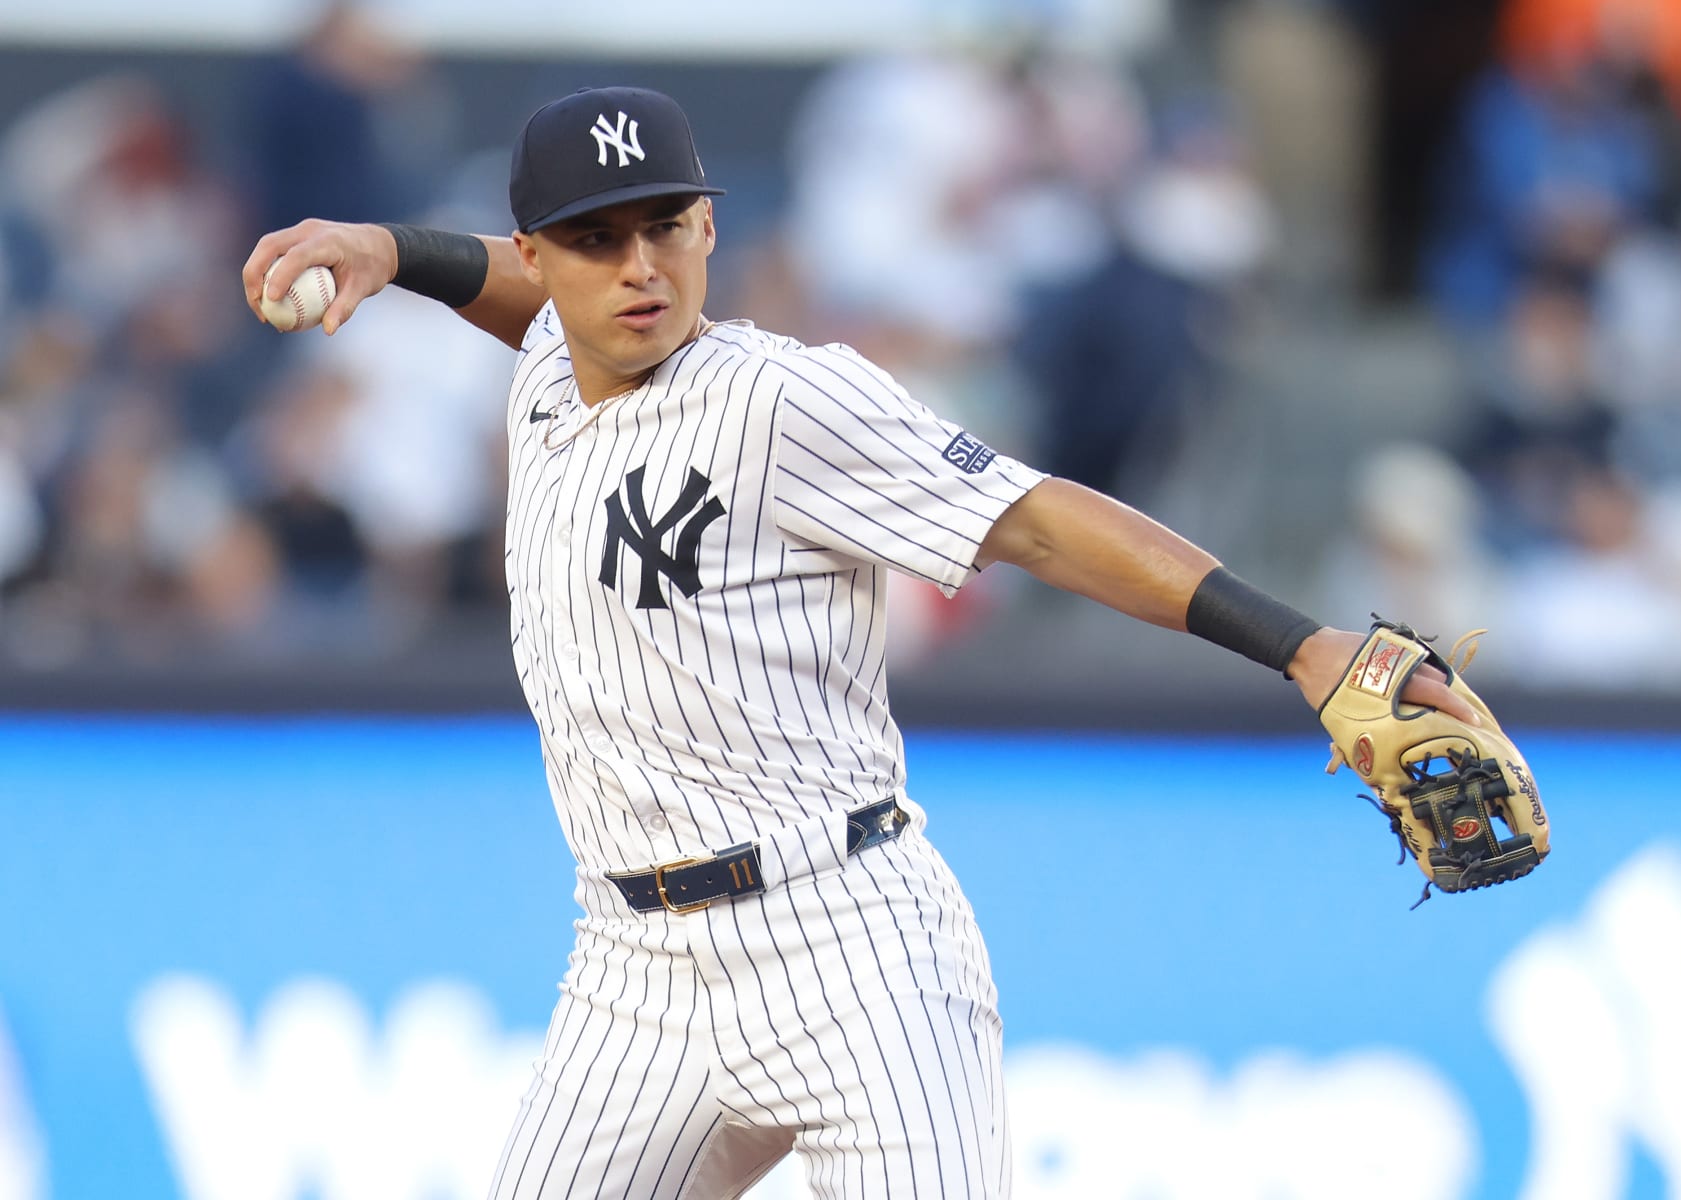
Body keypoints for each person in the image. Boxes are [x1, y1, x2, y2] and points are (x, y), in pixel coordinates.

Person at [244, 86, 1476, 1200]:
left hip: (847, 942)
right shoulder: (552, 375)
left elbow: (1035, 521)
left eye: (665, 226)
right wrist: (392, 251)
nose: (639, 268)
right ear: (537, 254)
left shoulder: (783, 399)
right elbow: (526, 310)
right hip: (632, 968)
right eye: (594, 238)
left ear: (710, 230)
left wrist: (1302, 645)